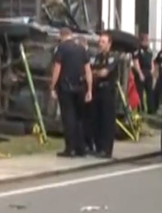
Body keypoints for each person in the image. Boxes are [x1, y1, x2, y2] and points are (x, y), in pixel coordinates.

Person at [49, 28, 93, 158]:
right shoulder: (81, 49)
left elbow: (57, 69)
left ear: (61, 36)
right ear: (71, 35)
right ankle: (81, 148)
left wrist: (52, 86)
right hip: (80, 87)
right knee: (79, 118)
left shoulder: (61, 49)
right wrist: (89, 89)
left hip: (66, 88)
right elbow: (88, 70)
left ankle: (70, 148)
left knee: (68, 118)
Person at [90, 32, 118, 158]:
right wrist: (95, 72)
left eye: (103, 42)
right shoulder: (96, 57)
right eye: (100, 41)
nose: (100, 44)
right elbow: (89, 70)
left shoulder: (113, 57)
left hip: (108, 91)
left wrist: (95, 73)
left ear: (109, 44)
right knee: (96, 119)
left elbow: (104, 73)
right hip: (97, 90)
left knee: (107, 121)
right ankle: (98, 146)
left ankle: (106, 149)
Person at [134, 33, 154, 113]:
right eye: (147, 40)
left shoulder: (149, 50)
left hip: (148, 72)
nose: (148, 42)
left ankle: (151, 109)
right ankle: (140, 108)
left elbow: (151, 60)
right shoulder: (137, 50)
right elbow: (136, 62)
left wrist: (152, 70)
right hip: (141, 71)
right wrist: (139, 73)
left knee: (150, 91)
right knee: (140, 92)